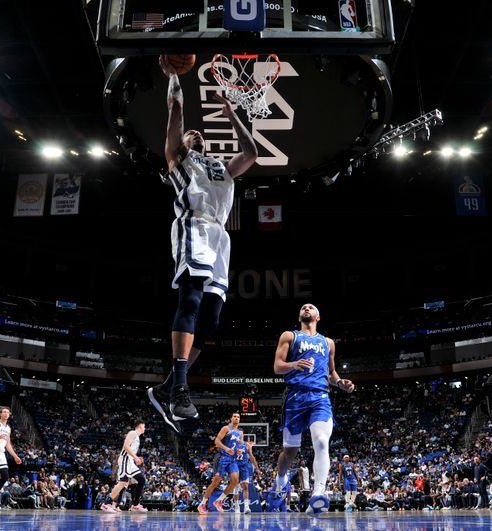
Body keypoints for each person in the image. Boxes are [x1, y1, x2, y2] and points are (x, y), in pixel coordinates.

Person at [148, 55, 258, 432]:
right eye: (189, 135)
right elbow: (176, 110)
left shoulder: (221, 168)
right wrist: (175, 79)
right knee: (190, 299)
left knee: (210, 318)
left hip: (220, 236)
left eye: (199, 133)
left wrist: (231, 114)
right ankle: (180, 388)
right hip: (193, 225)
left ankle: (165, 387)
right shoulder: (179, 160)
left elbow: (251, 154)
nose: (195, 133)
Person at [266, 303, 355, 514]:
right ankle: (280, 480)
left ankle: (318, 494)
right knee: (290, 451)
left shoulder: (328, 343)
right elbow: (278, 366)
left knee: (322, 441)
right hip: (295, 397)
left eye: (311, 307)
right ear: (299, 315)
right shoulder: (289, 336)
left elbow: (332, 373)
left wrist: (341, 382)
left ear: (318, 316)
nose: (307, 308)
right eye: (303, 307)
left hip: (320, 397)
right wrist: (294, 364)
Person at [198, 413, 243, 513]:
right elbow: (217, 441)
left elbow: (239, 446)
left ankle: (219, 501)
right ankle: (202, 504)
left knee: (235, 480)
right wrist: (226, 448)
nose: (236, 418)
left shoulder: (240, 433)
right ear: (231, 418)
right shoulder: (226, 428)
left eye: (238, 417)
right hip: (222, 457)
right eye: (235, 416)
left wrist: (239, 450)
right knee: (216, 482)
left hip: (232, 459)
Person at [101, 420, 148, 513]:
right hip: (125, 460)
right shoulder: (132, 433)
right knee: (123, 483)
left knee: (141, 480)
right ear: (140, 426)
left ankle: (135, 505)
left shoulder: (137, 437)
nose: (145, 428)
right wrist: (136, 457)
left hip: (130, 461)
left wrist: (136, 458)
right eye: (144, 426)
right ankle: (106, 503)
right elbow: (126, 446)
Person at [236, 439, 261, 513]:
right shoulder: (232, 444)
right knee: (236, 488)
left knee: (245, 486)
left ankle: (246, 507)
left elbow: (252, 457)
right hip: (235, 467)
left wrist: (257, 468)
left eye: (241, 434)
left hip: (244, 467)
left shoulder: (246, 445)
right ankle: (237, 507)